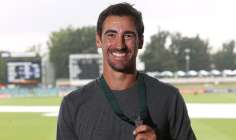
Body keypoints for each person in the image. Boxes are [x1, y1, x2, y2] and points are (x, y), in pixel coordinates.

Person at [57, 2, 196, 140]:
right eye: (111, 35)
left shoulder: (168, 98)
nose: (120, 45)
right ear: (98, 40)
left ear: (140, 41)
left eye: (128, 35)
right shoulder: (73, 104)